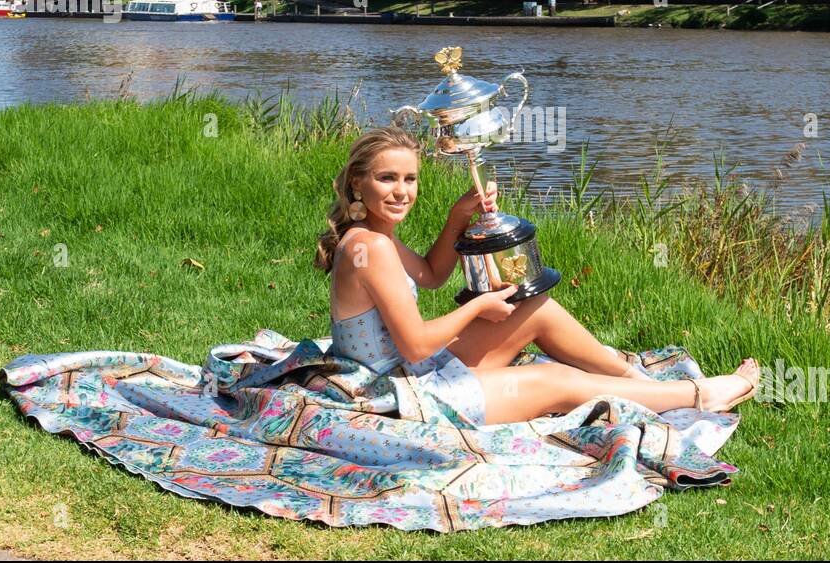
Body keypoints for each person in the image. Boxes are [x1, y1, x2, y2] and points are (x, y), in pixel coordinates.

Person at [315, 125, 760, 426]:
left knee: (535, 308)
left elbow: (431, 275)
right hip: (393, 396)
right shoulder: (368, 247)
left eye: (410, 179)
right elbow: (414, 342)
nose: (402, 191)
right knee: (557, 382)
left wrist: (456, 219)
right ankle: (699, 396)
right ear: (358, 183)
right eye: (387, 178)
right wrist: (475, 309)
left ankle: (639, 385)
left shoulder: (373, 236)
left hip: (410, 371)